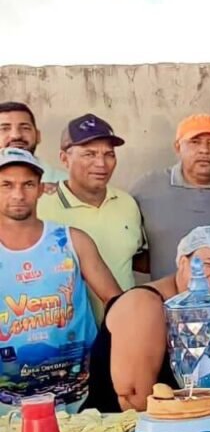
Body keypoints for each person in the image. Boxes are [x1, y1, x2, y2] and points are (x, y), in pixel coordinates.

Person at [0, 148, 120, 411]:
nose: (18, 195)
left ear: (41, 189)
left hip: (82, 399)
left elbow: (118, 303)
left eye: (28, 184)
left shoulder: (72, 241)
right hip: (7, 408)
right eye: (6, 185)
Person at [81, 225, 210, 412]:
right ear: (183, 262)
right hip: (122, 430)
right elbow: (134, 400)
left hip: (185, 421)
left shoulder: (204, 309)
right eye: (208, 264)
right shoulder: (144, 304)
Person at [37, 114, 145, 321]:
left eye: (109, 154)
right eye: (89, 154)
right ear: (64, 158)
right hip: (65, 336)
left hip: (122, 329)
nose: (101, 164)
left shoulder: (127, 203)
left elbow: (135, 260)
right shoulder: (41, 207)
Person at [131, 114, 210, 279]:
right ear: (177, 147)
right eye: (194, 142)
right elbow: (125, 249)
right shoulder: (148, 188)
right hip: (167, 301)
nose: (204, 150)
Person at [0, 101, 68, 185]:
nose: (16, 135)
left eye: (25, 128)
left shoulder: (64, 183)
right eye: (4, 129)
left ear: (38, 136)